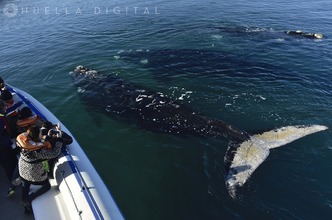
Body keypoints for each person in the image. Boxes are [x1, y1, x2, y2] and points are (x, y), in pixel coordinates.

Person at [17, 126, 63, 214]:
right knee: (47, 186)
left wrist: (49, 136)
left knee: (25, 186)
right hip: (33, 174)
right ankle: (30, 199)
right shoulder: (39, 152)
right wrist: (59, 139)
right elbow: (54, 153)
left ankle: (26, 207)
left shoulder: (24, 144)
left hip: (22, 170)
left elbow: (39, 143)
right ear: (37, 135)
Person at [0, 100, 18, 197]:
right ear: (2, 108)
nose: (7, 107)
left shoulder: (2, 114)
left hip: (5, 144)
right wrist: (7, 143)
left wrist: (18, 104)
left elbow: (8, 110)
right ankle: (12, 181)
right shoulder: (1, 120)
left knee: (12, 159)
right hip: (2, 146)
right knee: (7, 163)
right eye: (5, 106)